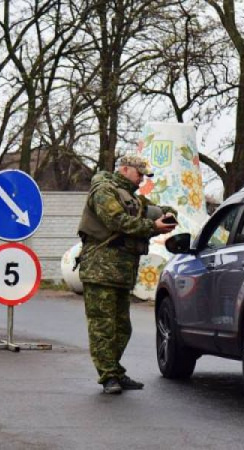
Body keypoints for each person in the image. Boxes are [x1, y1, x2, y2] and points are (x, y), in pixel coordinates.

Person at [78, 155, 177, 394]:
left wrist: (168, 214)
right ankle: (109, 376)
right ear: (124, 169)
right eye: (139, 174)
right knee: (103, 327)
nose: (142, 180)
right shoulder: (103, 191)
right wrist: (153, 227)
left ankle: (115, 370)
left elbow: (152, 210)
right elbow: (117, 221)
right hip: (100, 270)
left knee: (122, 328)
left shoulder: (131, 198)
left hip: (121, 273)